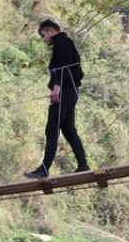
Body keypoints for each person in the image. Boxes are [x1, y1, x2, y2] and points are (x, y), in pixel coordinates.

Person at [25, 19, 90, 179]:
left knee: (52, 128)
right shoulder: (67, 43)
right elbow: (76, 70)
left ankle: (44, 169)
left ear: (51, 31)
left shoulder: (62, 41)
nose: (44, 39)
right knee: (68, 130)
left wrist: (57, 87)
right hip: (71, 92)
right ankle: (83, 164)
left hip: (64, 91)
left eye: (43, 35)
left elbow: (63, 65)